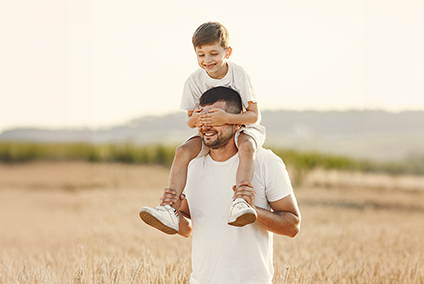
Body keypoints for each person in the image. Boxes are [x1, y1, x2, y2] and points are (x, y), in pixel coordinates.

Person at [157, 86, 301, 283]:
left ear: (236, 124)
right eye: (202, 119)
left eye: (215, 119)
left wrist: (253, 211)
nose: (206, 126)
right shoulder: (191, 166)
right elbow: (188, 227)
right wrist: (173, 214)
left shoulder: (266, 162)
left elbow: (292, 225)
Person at [139, 21, 267, 234]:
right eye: (201, 55)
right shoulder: (193, 81)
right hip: (208, 132)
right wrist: (197, 119)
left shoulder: (240, 76)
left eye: (213, 53)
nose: (207, 60)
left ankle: (241, 202)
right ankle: (169, 208)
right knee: (181, 151)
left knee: (247, 148)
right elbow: (189, 121)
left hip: (241, 128)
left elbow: (254, 116)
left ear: (228, 51)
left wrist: (227, 118)